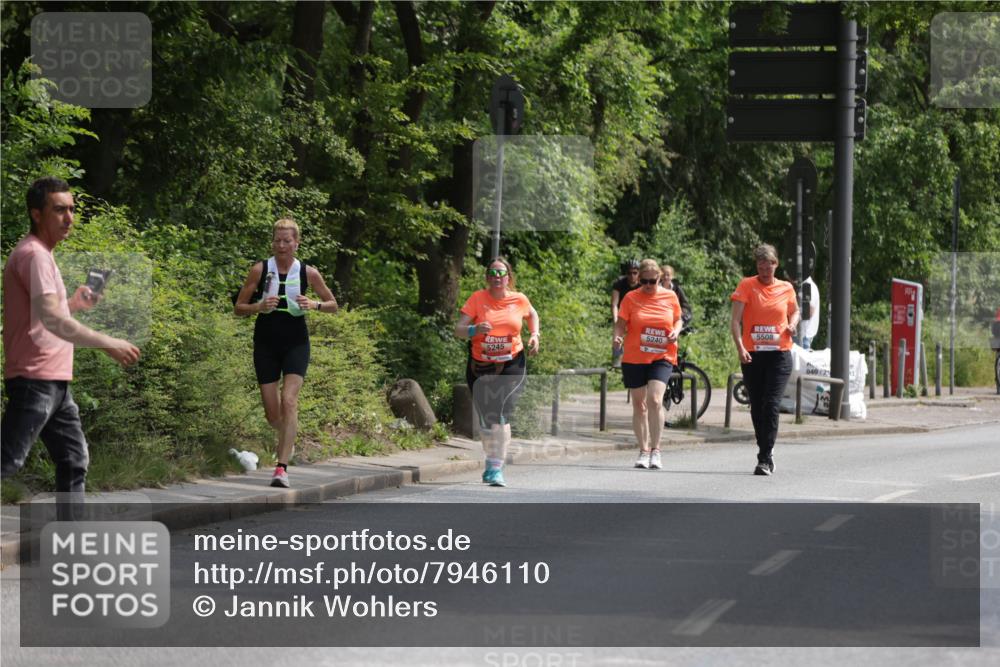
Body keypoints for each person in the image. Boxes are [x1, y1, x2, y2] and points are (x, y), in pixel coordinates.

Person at [2, 177, 141, 497]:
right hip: (34, 379)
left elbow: (46, 316)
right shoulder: (34, 255)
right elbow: (53, 321)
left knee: (74, 460)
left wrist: (75, 305)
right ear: (37, 214)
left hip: (54, 382)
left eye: (72, 209)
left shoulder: (43, 255)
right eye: (59, 210)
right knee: (8, 459)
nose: (69, 218)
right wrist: (109, 342)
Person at [234, 218, 338, 488]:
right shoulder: (260, 269)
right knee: (273, 415)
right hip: (266, 343)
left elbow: (333, 304)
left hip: (296, 342)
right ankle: (288, 440)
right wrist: (258, 306)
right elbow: (239, 307)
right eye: (277, 240)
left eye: (287, 241)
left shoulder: (308, 273)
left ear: (296, 243)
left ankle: (281, 468)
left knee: (289, 400)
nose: (281, 245)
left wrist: (314, 304)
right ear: (273, 242)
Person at [455, 257, 540, 487]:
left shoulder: (519, 299)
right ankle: (491, 458)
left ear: (508, 278)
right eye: (492, 273)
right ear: (487, 277)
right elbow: (458, 330)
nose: (497, 277)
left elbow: (532, 314)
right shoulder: (477, 299)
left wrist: (535, 335)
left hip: (512, 362)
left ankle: (495, 467)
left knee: (502, 412)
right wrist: (474, 329)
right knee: (487, 420)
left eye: (501, 273)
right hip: (481, 366)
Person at [730, 243, 800, 476]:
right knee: (757, 406)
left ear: (775, 264)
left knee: (771, 404)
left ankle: (764, 457)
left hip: (779, 355)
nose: (764, 272)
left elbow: (795, 311)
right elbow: (735, 321)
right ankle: (765, 449)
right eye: (760, 268)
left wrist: (792, 324)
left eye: (768, 267)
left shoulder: (786, 287)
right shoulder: (746, 285)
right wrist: (740, 348)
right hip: (753, 355)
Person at [613, 259, 683, 470]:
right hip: (635, 356)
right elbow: (620, 325)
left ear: (659, 278)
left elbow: (678, 319)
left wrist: (676, 331)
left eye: (652, 281)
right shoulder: (631, 298)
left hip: (662, 355)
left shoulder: (670, 296)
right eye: (644, 281)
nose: (648, 285)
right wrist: (617, 337)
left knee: (654, 399)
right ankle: (643, 450)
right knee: (639, 405)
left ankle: (656, 450)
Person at [610, 259, 642, 367]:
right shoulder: (619, 283)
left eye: (635, 273)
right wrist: (616, 320)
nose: (632, 276)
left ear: (639, 273)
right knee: (617, 334)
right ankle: (616, 362)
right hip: (622, 313)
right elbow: (614, 304)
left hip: (637, 313)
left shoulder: (643, 284)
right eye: (629, 273)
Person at [799, 275, 820, 349]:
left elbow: (809, 312)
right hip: (803, 334)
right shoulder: (804, 285)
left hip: (804, 334)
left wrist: (793, 319)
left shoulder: (808, 286)